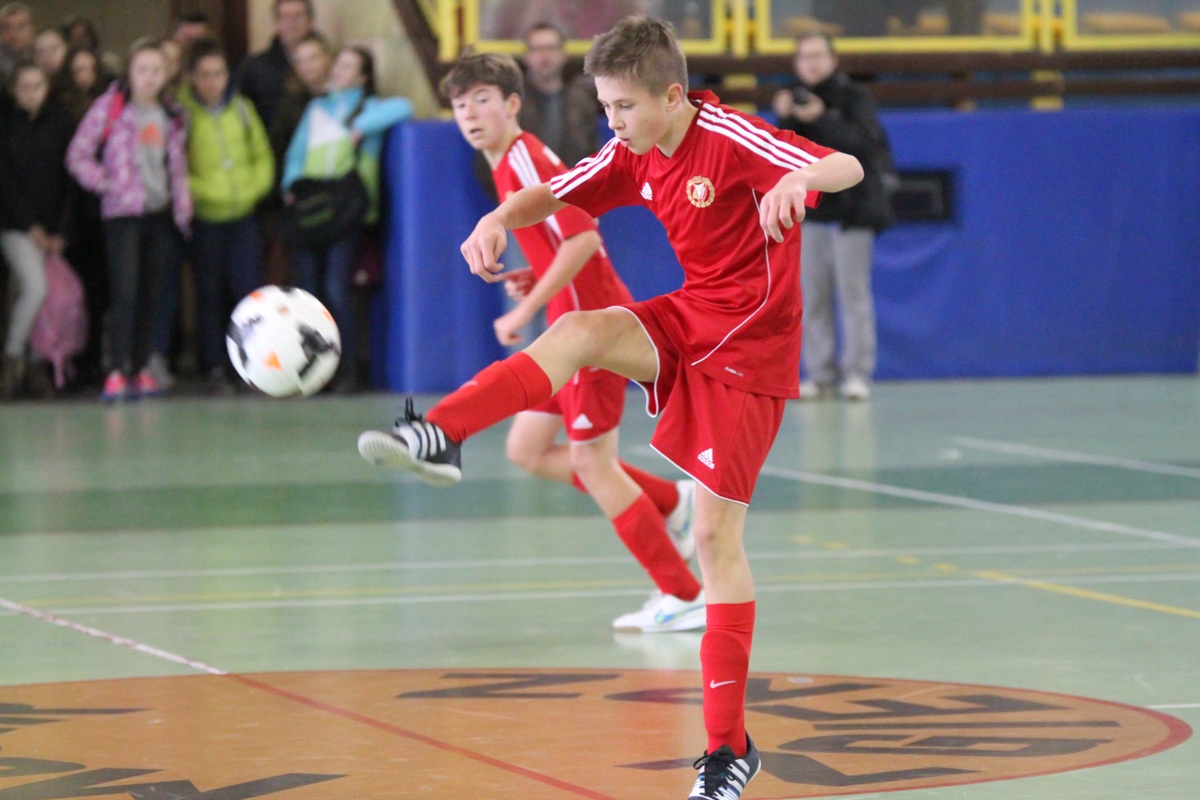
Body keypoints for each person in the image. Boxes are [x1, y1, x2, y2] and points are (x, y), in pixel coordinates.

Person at [357, 16, 863, 799]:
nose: (612, 121)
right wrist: (496, 219)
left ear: (672, 96)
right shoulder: (630, 152)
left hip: (750, 354)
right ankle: (440, 433)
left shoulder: (728, 136)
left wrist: (799, 181)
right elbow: (555, 194)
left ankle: (728, 750)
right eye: (604, 107)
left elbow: (846, 164)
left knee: (715, 539)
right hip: (689, 320)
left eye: (623, 106)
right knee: (580, 330)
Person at [441, 50, 703, 632]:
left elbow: (583, 239)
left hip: (591, 330)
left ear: (513, 103)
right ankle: (672, 502)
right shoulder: (504, 164)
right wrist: (534, 276)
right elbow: (562, 244)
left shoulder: (525, 158)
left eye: (482, 100)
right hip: (567, 324)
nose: (471, 114)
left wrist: (523, 311)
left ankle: (683, 593)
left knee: (592, 461)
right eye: (460, 105)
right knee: (527, 450)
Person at [66, 38, 192, 402]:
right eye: (143, 70)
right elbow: (78, 154)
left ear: (166, 74)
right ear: (130, 73)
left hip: (160, 213)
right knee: (126, 290)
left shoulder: (173, 114)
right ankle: (118, 368)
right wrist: (105, 183)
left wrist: (182, 205)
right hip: (123, 215)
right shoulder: (111, 108)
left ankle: (140, 367)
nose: (150, 77)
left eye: (157, 70)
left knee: (152, 291)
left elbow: (177, 166)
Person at [773, 32, 896, 401]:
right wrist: (784, 117)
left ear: (833, 59)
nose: (811, 64)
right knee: (813, 297)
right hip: (812, 213)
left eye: (818, 55)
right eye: (804, 57)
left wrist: (822, 117)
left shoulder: (854, 97)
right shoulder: (794, 97)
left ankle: (857, 373)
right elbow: (784, 153)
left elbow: (861, 146)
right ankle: (820, 374)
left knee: (852, 294)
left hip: (854, 212)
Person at [281, 45, 410, 392]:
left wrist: (359, 126)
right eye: (338, 63)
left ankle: (348, 367)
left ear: (363, 77)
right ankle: (313, 369)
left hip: (347, 212)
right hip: (312, 209)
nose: (339, 70)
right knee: (308, 293)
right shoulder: (317, 108)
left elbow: (404, 107)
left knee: (337, 288)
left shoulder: (370, 108)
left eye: (349, 66)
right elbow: (296, 153)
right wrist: (291, 184)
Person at [179, 37, 274, 394]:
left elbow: (262, 155)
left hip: (243, 215)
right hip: (206, 218)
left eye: (218, 74)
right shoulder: (183, 114)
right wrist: (206, 192)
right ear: (193, 77)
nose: (212, 82)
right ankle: (214, 365)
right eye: (204, 75)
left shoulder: (243, 109)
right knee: (209, 293)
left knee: (248, 293)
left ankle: (249, 363)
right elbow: (178, 167)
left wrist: (253, 189)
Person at [0, 61, 75, 398]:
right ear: (14, 90)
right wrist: (30, 226)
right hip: (15, 226)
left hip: (54, 229)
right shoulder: (6, 126)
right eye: (24, 87)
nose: (30, 93)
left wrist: (62, 232)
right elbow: (5, 183)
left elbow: (70, 182)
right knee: (35, 287)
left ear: (47, 88)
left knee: (52, 298)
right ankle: (13, 358)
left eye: (37, 86)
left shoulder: (61, 123)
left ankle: (37, 364)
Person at [520, 22, 600, 170]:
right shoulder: (514, 103)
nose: (544, 56)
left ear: (563, 55)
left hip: (573, 180)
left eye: (551, 48)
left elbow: (593, 154)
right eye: (537, 49)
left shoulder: (581, 102)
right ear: (526, 56)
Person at [237, 0, 314, 131]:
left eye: (298, 16)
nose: (292, 23)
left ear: (310, 22)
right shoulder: (253, 68)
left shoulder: (326, 64)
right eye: (286, 17)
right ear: (276, 23)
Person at [0, 3, 33, 84]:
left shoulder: (41, 55)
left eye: (20, 27)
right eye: (7, 28)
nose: (13, 34)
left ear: (31, 29)